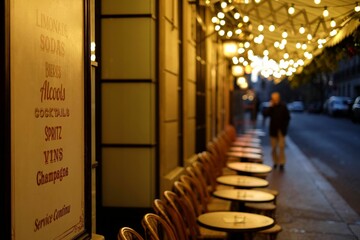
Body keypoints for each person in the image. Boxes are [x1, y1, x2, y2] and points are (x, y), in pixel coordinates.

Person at [262, 92, 291, 170]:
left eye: (275, 98)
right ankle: (275, 161)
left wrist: (285, 127)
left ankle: (282, 163)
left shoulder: (283, 106)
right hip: (273, 130)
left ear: (278, 98)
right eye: (273, 98)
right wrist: (270, 106)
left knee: (281, 147)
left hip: (281, 130)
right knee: (273, 147)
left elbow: (287, 117)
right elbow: (265, 114)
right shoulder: (272, 107)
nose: (274, 99)